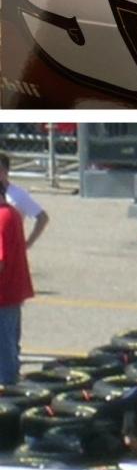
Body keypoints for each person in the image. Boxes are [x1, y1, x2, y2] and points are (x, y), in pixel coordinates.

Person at [0, 181, 34, 385]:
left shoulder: (2, 218)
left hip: (3, 296)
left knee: (5, 357)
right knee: (10, 348)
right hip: (12, 293)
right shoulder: (11, 214)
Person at [0, 154, 49, 250]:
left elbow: (42, 218)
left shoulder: (18, 194)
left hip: (10, 246)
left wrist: (27, 244)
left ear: (6, 171)